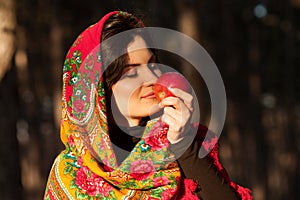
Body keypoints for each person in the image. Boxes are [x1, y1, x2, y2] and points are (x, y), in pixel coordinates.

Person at [44, 11, 252, 199]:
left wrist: (183, 145)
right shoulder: (70, 174)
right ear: (97, 89)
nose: (152, 76)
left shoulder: (180, 141)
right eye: (131, 71)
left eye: (152, 63)